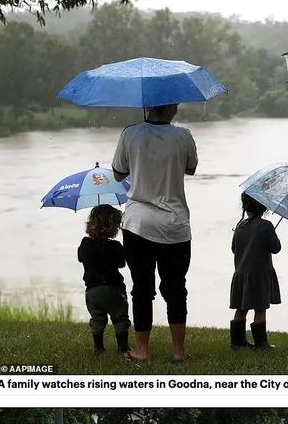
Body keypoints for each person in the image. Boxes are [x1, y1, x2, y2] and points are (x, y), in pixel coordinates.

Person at [112, 103, 198, 362]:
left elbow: (118, 173)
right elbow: (191, 168)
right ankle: (179, 352)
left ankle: (141, 350)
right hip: (176, 226)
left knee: (141, 288)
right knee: (175, 288)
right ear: (171, 107)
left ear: (148, 107)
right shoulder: (184, 136)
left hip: (139, 224)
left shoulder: (130, 133)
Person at [77, 204, 131, 355]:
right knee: (120, 318)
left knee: (97, 319)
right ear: (114, 228)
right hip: (114, 289)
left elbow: (80, 257)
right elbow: (121, 263)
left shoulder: (85, 244)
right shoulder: (115, 246)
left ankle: (99, 348)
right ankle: (123, 347)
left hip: (93, 291)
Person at [229, 193, 281, 350]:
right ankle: (261, 343)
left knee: (241, 308)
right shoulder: (266, 226)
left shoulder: (240, 226)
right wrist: (273, 235)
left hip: (241, 275)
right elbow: (276, 248)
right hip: (259, 276)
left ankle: (237, 342)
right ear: (264, 207)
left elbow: (233, 249)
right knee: (260, 308)